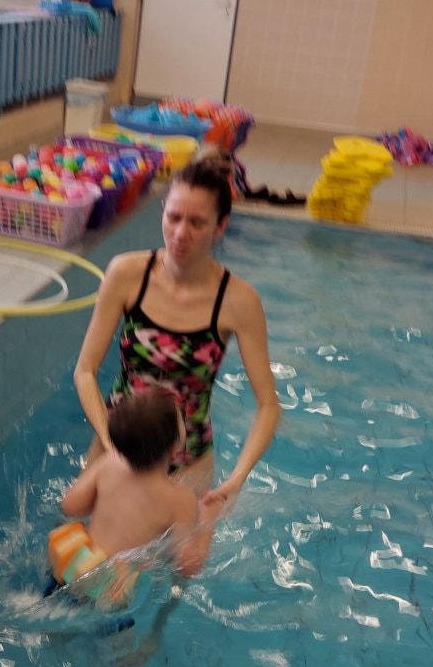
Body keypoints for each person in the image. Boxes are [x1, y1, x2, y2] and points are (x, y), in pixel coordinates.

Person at [73, 154, 278, 514]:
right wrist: (110, 443)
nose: (181, 233)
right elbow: (85, 371)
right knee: (76, 539)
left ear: (221, 226)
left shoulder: (238, 301)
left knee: (182, 552)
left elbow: (268, 406)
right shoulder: (127, 274)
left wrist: (236, 480)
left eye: (197, 223)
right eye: (174, 217)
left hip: (187, 462)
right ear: (162, 213)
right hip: (116, 444)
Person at [48, 388, 217, 608]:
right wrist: (208, 520)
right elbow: (188, 566)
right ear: (175, 450)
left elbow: (70, 506)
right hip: (110, 590)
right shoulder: (180, 499)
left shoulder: (109, 462)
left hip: (76, 566)